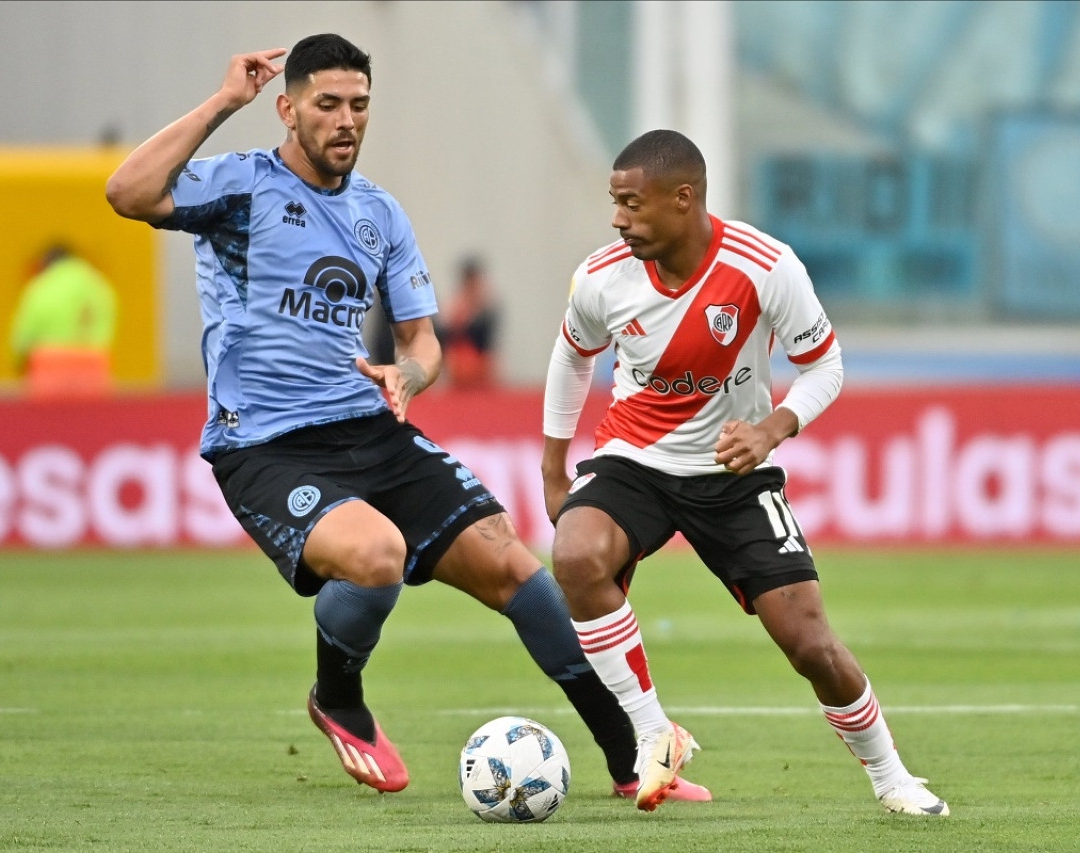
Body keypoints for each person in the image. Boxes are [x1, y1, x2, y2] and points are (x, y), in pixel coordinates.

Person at [104, 34, 708, 803]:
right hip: (265, 444)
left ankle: (632, 765)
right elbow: (127, 192)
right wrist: (226, 101)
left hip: (370, 426)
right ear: (286, 110)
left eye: (358, 105)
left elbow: (423, 340)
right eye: (327, 105)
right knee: (378, 553)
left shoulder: (378, 213)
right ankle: (339, 698)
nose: (346, 120)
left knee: (520, 571)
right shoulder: (238, 188)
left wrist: (409, 373)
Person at [541, 129, 950, 816]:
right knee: (576, 555)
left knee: (809, 643)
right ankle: (653, 734)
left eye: (632, 204)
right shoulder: (601, 276)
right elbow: (573, 355)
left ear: (684, 198)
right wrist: (554, 465)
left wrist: (772, 428)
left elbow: (826, 365)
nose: (618, 218)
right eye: (615, 203)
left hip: (732, 474)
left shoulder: (765, 266)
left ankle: (893, 777)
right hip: (633, 460)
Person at [8, 243, 117, 394]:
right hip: (91, 363)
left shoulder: (41, 285)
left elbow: (24, 331)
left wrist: (16, 359)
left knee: (49, 417)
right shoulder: (97, 284)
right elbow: (108, 319)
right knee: (91, 416)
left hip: (49, 364)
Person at [436, 255, 500, 388]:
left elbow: (488, 340)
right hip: (459, 361)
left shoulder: (486, 305)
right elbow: (448, 331)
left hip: (480, 360)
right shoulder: (458, 303)